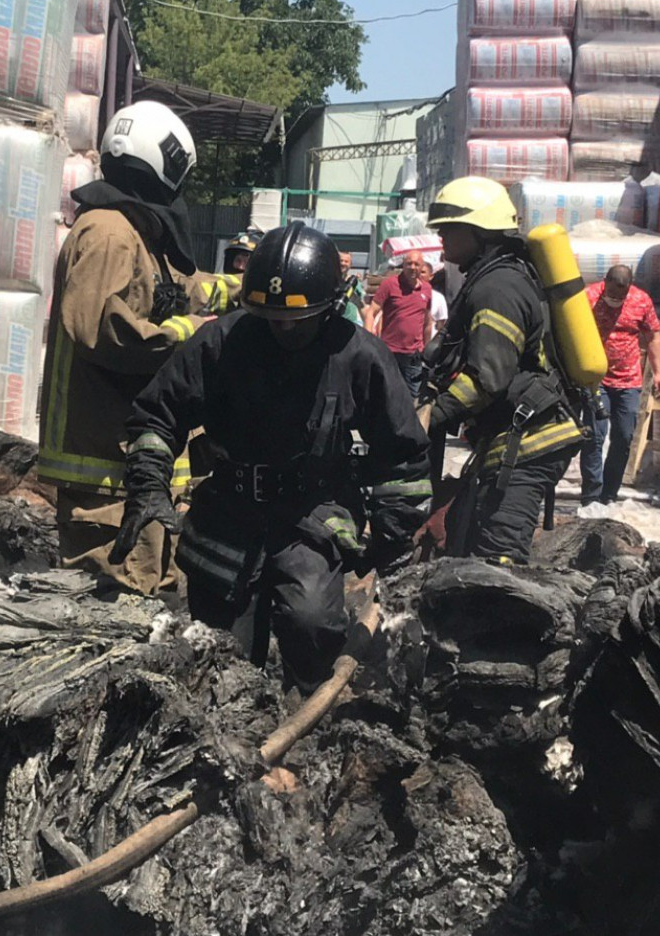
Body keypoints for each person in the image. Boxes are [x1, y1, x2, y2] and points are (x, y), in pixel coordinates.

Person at [109, 224, 434, 693]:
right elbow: (156, 415)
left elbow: (402, 453)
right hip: (227, 515)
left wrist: (392, 538)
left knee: (311, 625)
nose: (283, 328)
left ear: (331, 306)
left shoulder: (359, 356)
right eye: (271, 317)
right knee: (219, 657)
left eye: (297, 319)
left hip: (313, 513)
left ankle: (305, 715)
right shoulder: (221, 342)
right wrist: (146, 483)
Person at [38, 100, 232, 595]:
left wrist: (241, 290)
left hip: (132, 469)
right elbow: (102, 331)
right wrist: (192, 334)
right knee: (112, 606)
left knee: (152, 604)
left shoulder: (136, 233)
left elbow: (180, 289)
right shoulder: (109, 234)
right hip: (105, 472)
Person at [422, 176, 585, 564]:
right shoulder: (494, 277)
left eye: (451, 227)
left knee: (499, 560)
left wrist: (429, 417)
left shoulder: (497, 289)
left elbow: (486, 379)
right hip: (513, 437)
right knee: (468, 543)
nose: (441, 235)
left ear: (481, 232)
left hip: (529, 443)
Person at [580, 264, 660, 506]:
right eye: (612, 294)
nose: (615, 300)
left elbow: (653, 336)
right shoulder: (588, 298)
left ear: (629, 288)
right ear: (605, 281)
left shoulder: (641, 301)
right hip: (596, 378)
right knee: (594, 436)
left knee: (624, 437)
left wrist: (658, 372)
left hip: (628, 380)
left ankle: (609, 495)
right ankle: (591, 497)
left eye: (621, 296)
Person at [364, 250, 440, 394]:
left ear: (422, 266)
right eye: (409, 264)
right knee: (387, 394)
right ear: (403, 265)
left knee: (413, 395)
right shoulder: (390, 284)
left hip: (413, 355)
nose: (412, 267)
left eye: (416, 264)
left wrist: (426, 349)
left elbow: (427, 321)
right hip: (389, 352)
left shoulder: (427, 289)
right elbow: (371, 312)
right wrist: (369, 341)